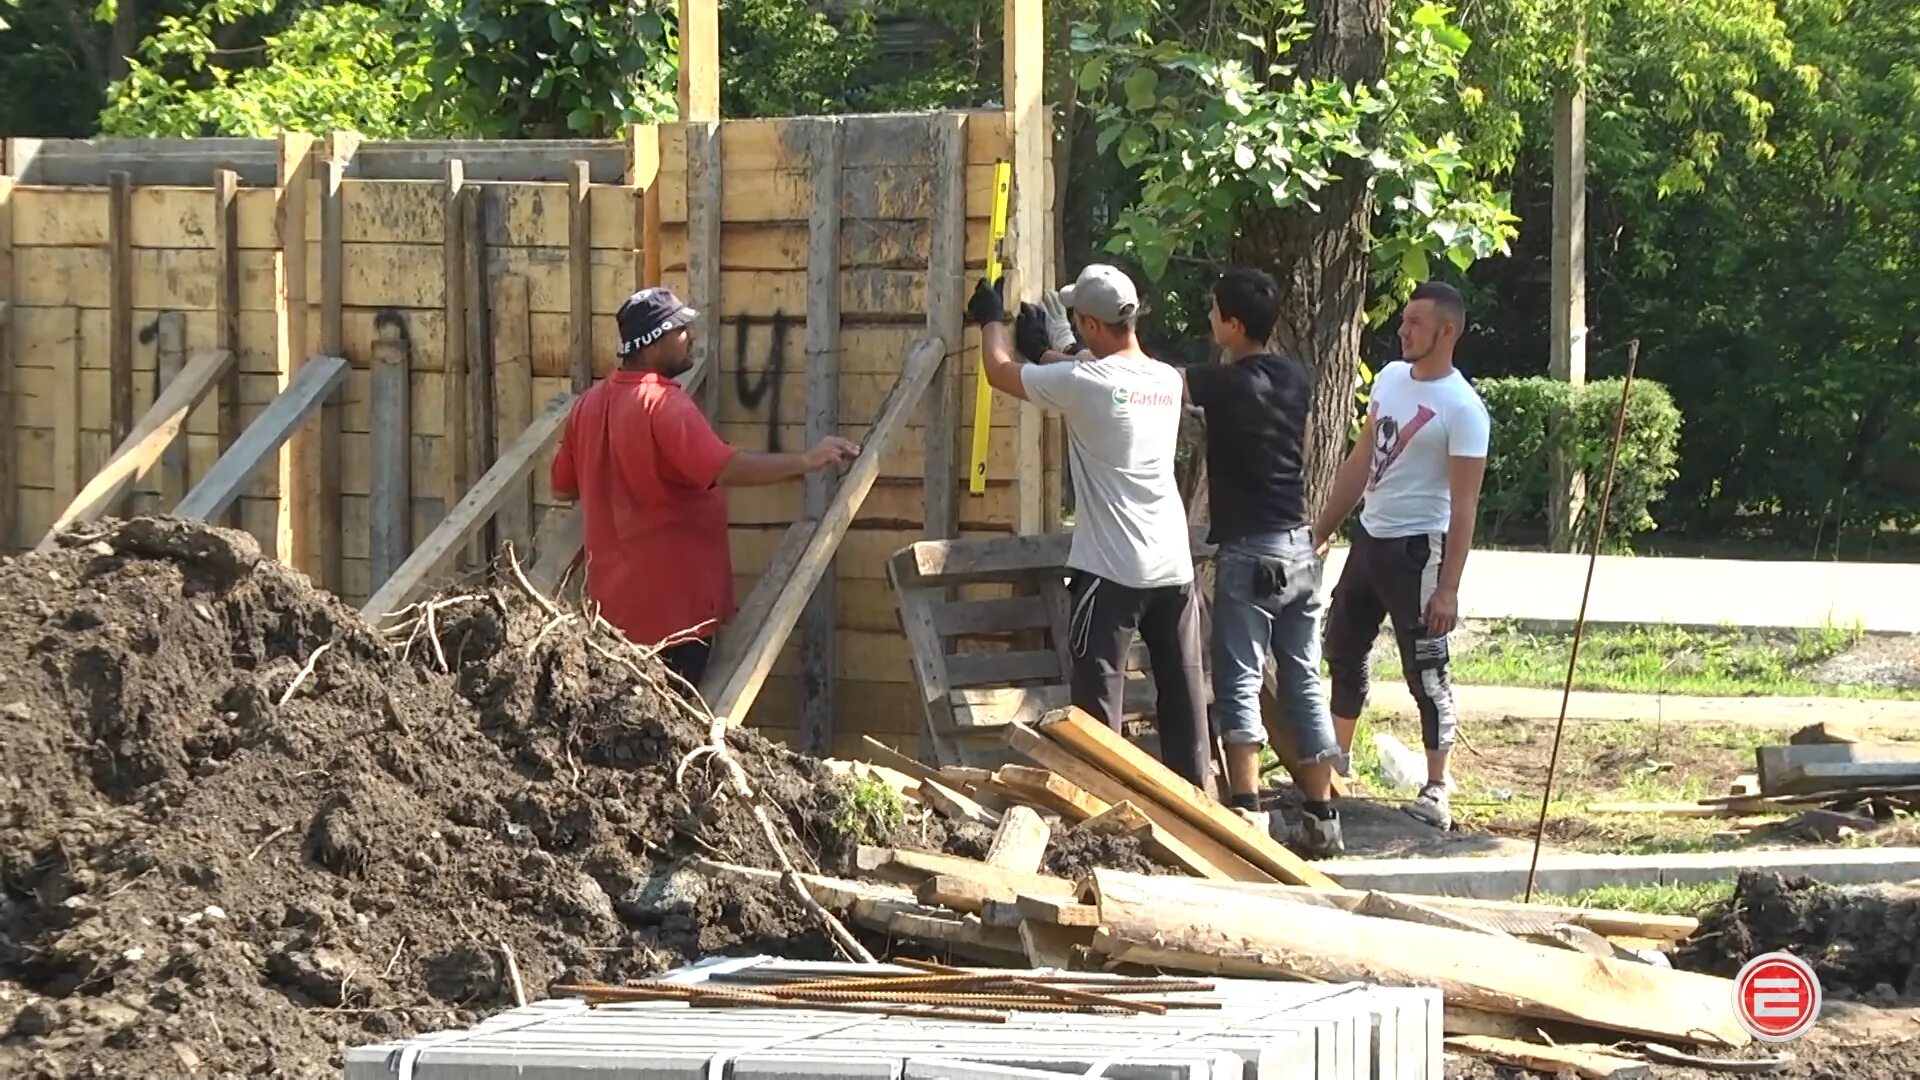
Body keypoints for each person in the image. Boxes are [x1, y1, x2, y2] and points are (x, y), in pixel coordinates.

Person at [968, 266, 1211, 789]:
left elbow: (998, 371)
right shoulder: (1166, 380)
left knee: (1098, 711)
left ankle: (1101, 807)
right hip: (1173, 568)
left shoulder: (1083, 381)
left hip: (1111, 571)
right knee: (1184, 695)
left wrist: (991, 321)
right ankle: (1196, 801)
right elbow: (1091, 374)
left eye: (1081, 323)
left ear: (1094, 328)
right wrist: (1055, 348)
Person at [550, 286, 859, 688]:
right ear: (653, 341)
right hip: (674, 617)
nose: (690, 338)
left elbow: (561, 487)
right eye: (681, 330)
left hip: (611, 614)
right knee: (671, 726)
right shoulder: (663, 405)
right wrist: (807, 460)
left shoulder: (588, 405)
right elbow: (726, 467)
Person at [1310, 280, 1490, 830]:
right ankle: (1336, 763)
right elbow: (1361, 461)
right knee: (1342, 648)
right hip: (1371, 539)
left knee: (1427, 670)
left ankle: (1437, 788)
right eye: (1405, 320)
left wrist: (1449, 585)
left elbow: (1464, 505)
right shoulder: (1389, 380)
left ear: (1447, 331)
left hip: (1419, 550)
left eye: (1415, 322)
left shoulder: (1463, 409)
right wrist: (1322, 528)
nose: (1403, 330)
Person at [1181, 267, 1344, 856]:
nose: (1209, 321)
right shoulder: (1293, 376)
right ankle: (1323, 817)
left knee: (1239, 680)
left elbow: (1150, 381)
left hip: (1251, 551)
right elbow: (1299, 444)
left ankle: (1247, 814)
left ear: (1232, 324)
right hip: (1300, 545)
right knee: (1303, 678)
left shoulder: (1222, 384)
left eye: (1213, 313)